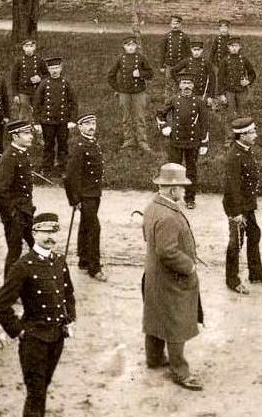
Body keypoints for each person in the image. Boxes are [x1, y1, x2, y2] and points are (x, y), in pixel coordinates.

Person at [0, 212, 76, 417]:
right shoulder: (22, 266)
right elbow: (1, 305)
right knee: (36, 393)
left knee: (43, 387)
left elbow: (68, 293)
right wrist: (19, 332)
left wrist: (69, 319)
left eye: (54, 231)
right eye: (45, 231)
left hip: (57, 338)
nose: (50, 237)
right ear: (34, 233)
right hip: (34, 341)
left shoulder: (59, 261)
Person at [142, 163, 204, 391]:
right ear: (171, 189)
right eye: (182, 186)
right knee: (177, 321)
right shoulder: (168, 215)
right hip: (172, 277)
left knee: (155, 315)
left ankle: (154, 358)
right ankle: (180, 372)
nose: (185, 190)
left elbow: (148, 238)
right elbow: (167, 251)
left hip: (155, 274)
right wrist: (189, 266)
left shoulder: (152, 206)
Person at [223, 118, 262, 295]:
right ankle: (232, 280)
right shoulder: (234, 157)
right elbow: (232, 188)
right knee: (236, 244)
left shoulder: (245, 151)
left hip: (247, 205)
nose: (256, 135)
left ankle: (256, 273)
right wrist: (237, 213)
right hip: (238, 208)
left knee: (254, 235)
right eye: (252, 132)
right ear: (242, 135)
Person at [155, 71, 210, 210]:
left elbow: (204, 123)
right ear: (180, 85)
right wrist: (165, 126)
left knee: (191, 170)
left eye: (189, 83)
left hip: (193, 141)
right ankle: (170, 197)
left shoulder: (199, 102)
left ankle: (190, 198)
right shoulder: (174, 99)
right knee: (174, 170)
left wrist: (204, 142)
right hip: (176, 141)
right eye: (184, 83)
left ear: (193, 86)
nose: (186, 86)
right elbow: (160, 113)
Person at [0, 120, 36, 279]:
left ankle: (36, 280)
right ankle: (9, 288)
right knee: (15, 250)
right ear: (15, 136)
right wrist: (10, 214)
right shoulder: (10, 157)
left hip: (25, 211)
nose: (30, 136)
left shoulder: (21, 153)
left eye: (30, 133)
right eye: (26, 133)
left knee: (35, 246)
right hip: (16, 214)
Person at [64, 112, 105, 280]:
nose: (91, 127)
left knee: (85, 226)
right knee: (94, 228)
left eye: (93, 123)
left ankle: (83, 259)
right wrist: (75, 200)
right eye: (87, 124)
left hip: (94, 193)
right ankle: (94, 268)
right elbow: (70, 176)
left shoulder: (93, 143)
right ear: (80, 127)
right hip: (85, 195)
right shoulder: (79, 146)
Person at [33, 57, 78, 176]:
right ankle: (46, 168)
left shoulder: (66, 83)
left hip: (63, 121)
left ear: (61, 68)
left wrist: (72, 120)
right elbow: (37, 103)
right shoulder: (44, 84)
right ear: (48, 69)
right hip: (47, 121)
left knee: (63, 144)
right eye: (52, 68)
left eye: (57, 68)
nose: (54, 71)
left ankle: (62, 167)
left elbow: (73, 102)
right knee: (48, 145)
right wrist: (37, 122)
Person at [107, 35, 153, 152]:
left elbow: (150, 73)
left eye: (133, 45)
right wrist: (118, 88)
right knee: (126, 118)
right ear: (124, 47)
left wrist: (141, 74)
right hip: (124, 93)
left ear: (136, 46)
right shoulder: (120, 59)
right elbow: (111, 75)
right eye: (128, 45)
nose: (131, 48)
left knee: (140, 117)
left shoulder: (141, 58)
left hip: (139, 93)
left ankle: (142, 141)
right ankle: (129, 141)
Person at [217, 37, 256, 144]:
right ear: (228, 47)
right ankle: (229, 138)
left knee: (243, 114)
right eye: (231, 46)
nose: (234, 48)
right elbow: (220, 78)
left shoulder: (244, 60)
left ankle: (244, 137)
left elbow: (252, 73)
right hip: (229, 91)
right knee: (230, 115)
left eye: (236, 46)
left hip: (242, 91)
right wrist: (221, 94)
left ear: (240, 47)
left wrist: (248, 81)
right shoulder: (224, 61)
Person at [11, 39, 48, 122]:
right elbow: (14, 79)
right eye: (26, 46)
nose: (28, 48)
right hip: (23, 91)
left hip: (37, 91)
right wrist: (15, 94)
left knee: (38, 110)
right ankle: (25, 130)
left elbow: (47, 75)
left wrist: (40, 78)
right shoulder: (19, 61)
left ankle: (38, 129)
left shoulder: (39, 60)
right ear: (23, 48)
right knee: (24, 112)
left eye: (31, 46)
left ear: (34, 47)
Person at [172, 41, 215, 105]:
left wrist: (210, 96)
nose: (196, 52)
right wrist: (179, 81)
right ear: (191, 50)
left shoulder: (206, 62)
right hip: (188, 91)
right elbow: (173, 71)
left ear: (202, 50)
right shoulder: (187, 61)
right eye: (194, 50)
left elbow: (212, 79)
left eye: (198, 50)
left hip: (201, 92)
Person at [159, 15, 190, 102]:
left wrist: (187, 64)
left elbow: (188, 53)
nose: (175, 25)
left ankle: (181, 101)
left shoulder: (184, 36)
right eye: (173, 23)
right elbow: (163, 52)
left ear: (180, 25)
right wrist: (161, 65)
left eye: (177, 23)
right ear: (170, 24)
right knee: (168, 83)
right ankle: (168, 102)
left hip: (180, 65)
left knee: (181, 82)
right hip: (169, 64)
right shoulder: (167, 36)